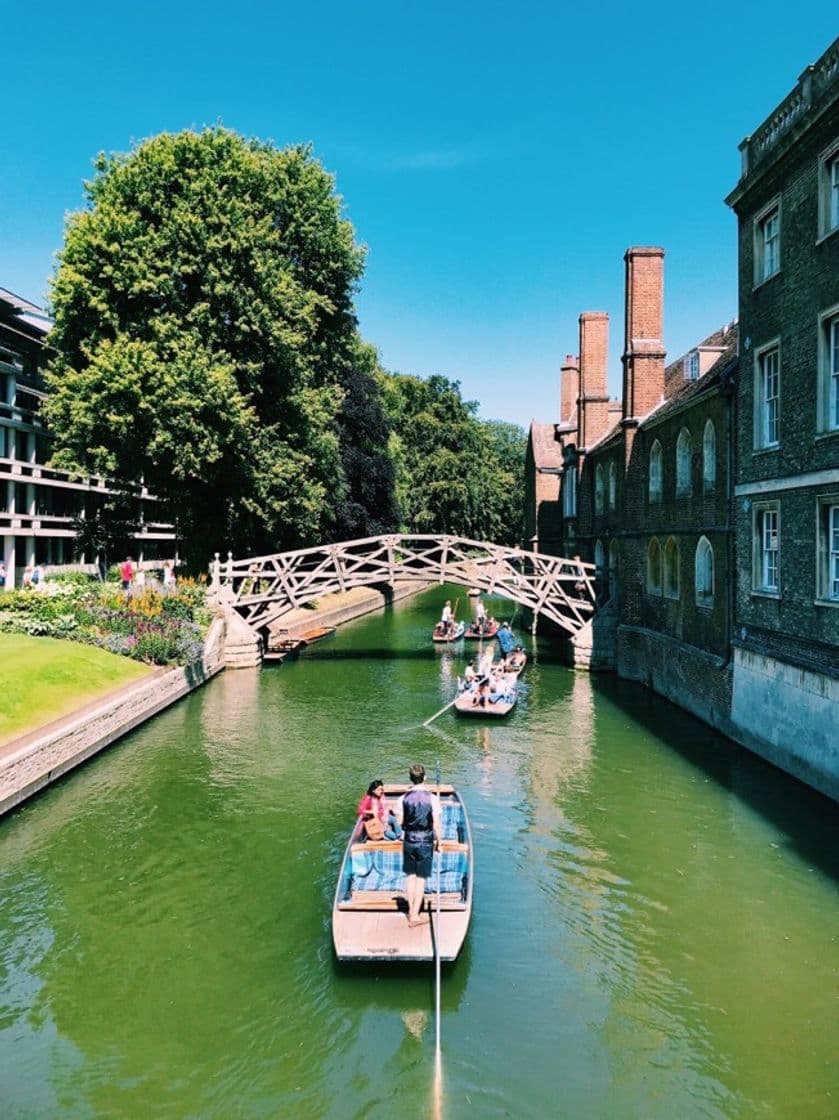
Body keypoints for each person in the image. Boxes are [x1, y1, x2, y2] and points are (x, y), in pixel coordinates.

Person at [395, 764, 441, 927]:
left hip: (409, 840)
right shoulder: (433, 799)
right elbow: (436, 824)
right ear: (425, 777)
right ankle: (414, 915)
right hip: (425, 840)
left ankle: (410, 911)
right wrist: (439, 843)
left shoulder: (402, 799)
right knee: (420, 878)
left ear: (410, 778)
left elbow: (400, 822)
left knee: (410, 876)